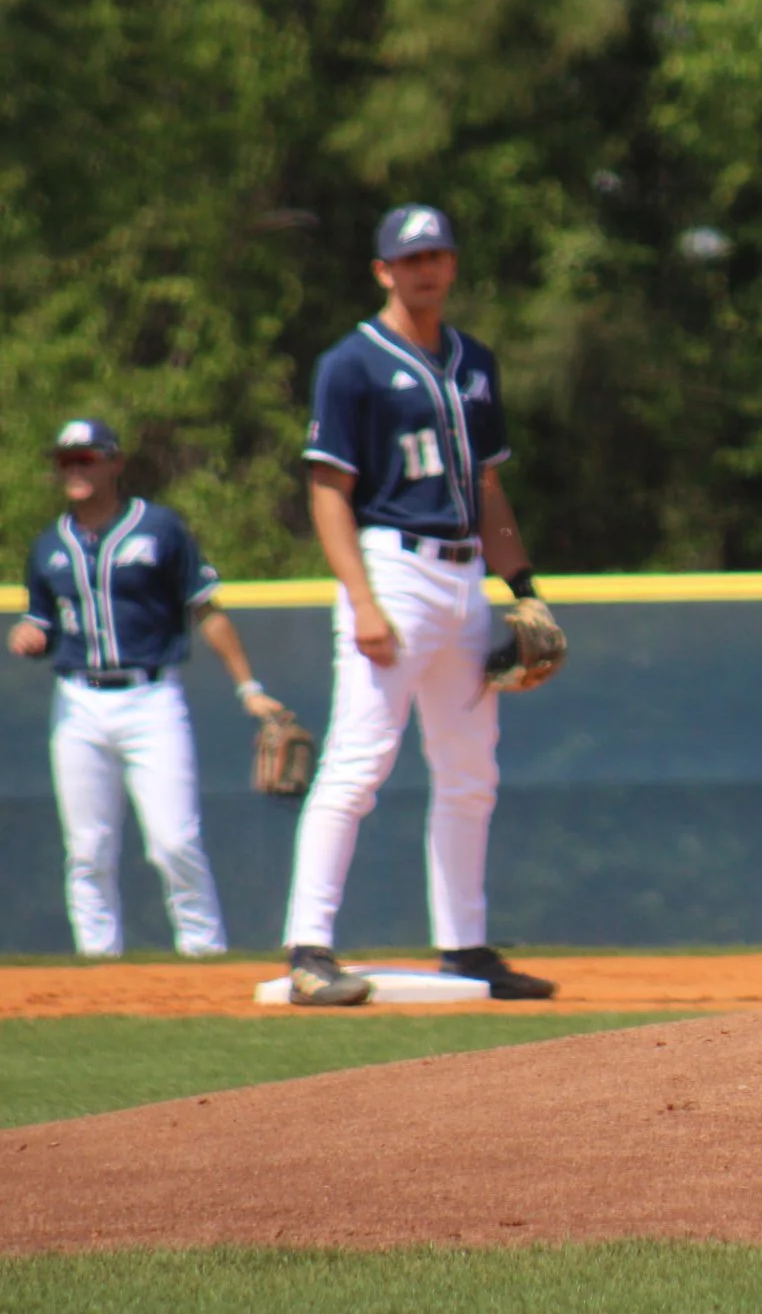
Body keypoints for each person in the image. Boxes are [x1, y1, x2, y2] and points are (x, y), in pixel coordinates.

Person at [277, 204, 558, 1007]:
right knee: (359, 760)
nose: (425, 267)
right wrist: (361, 602)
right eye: (410, 257)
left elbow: (489, 486)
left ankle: (465, 947)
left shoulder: (475, 361)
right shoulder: (352, 363)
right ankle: (310, 948)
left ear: (453, 264)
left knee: (471, 771)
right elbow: (329, 491)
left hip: (465, 577)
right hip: (392, 571)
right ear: (382, 270)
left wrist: (526, 591)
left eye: (437, 253)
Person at [10, 418, 293, 958]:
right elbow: (43, 622)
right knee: (88, 848)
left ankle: (204, 953)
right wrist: (30, 633)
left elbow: (206, 608)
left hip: (151, 697)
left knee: (174, 840)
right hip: (77, 701)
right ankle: (98, 964)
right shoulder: (50, 543)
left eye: (86, 458)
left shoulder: (159, 528)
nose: (74, 468)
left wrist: (248, 688)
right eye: (66, 460)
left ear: (115, 463)